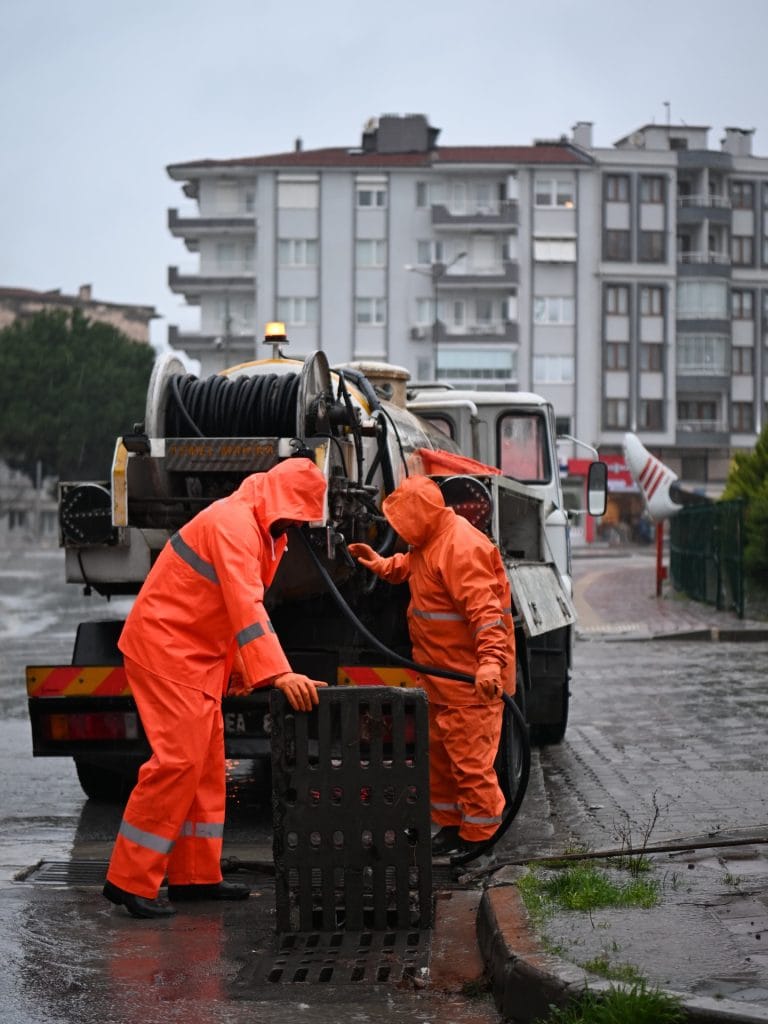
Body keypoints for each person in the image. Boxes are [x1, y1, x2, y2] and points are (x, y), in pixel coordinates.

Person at [103, 458, 328, 919]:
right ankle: (128, 880)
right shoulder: (235, 524)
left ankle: (194, 878)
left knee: (205, 769)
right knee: (178, 762)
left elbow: (225, 606)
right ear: (280, 501)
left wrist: (244, 668)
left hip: (192, 654)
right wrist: (278, 674)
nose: (297, 525)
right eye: (296, 514)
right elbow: (244, 604)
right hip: (167, 650)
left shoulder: (263, 529)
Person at [348, 474, 515, 860]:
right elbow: (414, 566)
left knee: (471, 768)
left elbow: (487, 616)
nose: (399, 530)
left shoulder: (461, 547)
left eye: (402, 521)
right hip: (442, 681)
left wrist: (490, 663)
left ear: (420, 516)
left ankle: (480, 843)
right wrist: (382, 565)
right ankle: (456, 830)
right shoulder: (430, 540)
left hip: (470, 686)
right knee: (442, 766)